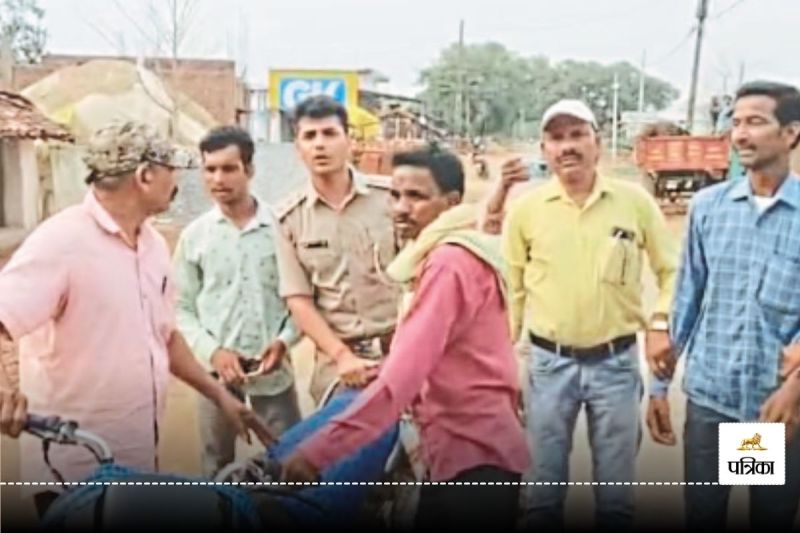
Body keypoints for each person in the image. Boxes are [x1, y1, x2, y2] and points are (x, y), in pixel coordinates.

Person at [0, 122, 271, 517]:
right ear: (145, 176)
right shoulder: (60, 242)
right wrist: (5, 389)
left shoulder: (153, 244)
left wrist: (220, 396)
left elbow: (165, 335)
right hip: (72, 467)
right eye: (171, 169)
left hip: (135, 459)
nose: (177, 181)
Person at [281, 145, 529, 531]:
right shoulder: (451, 252)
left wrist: (316, 453)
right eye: (395, 195)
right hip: (463, 451)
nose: (399, 208)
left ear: (451, 203)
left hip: (473, 455)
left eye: (416, 196)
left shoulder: (448, 264)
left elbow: (400, 383)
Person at [503, 99, 679, 530]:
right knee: (543, 493)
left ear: (597, 143)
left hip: (615, 364)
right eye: (557, 138)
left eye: (578, 135)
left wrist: (660, 323)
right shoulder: (526, 210)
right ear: (543, 149)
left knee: (616, 498)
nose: (568, 146)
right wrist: (508, 363)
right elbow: (513, 291)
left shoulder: (634, 202)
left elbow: (672, 270)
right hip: (549, 365)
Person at [648, 80, 800, 530]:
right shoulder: (709, 208)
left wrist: (795, 387)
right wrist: (659, 386)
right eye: (736, 123)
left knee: (768, 516)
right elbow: (687, 297)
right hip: (711, 401)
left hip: (772, 406)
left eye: (755, 122)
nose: (741, 134)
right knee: (705, 514)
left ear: (791, 133)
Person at [173, 126, 302, 476]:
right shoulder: (194, 237)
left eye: (229, 168)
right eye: (210, 169)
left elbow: (302, 299)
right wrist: (213, 352)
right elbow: (181, 308)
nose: (218, 179)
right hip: (215, 375)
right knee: (215, 465)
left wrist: (284, 341)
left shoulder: (283, 228)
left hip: (272, 372)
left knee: (290, 460)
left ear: (250, 170)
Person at [271, 95, 400, 404]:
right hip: (338, 364)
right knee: (339, 430)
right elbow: (299, 299)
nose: (320, 144)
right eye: (309, 136)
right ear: (298, 149)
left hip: (401, 349)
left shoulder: (391, 199)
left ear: (349, 141)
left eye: (329, 133)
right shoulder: (288, 218)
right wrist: (342, 356)